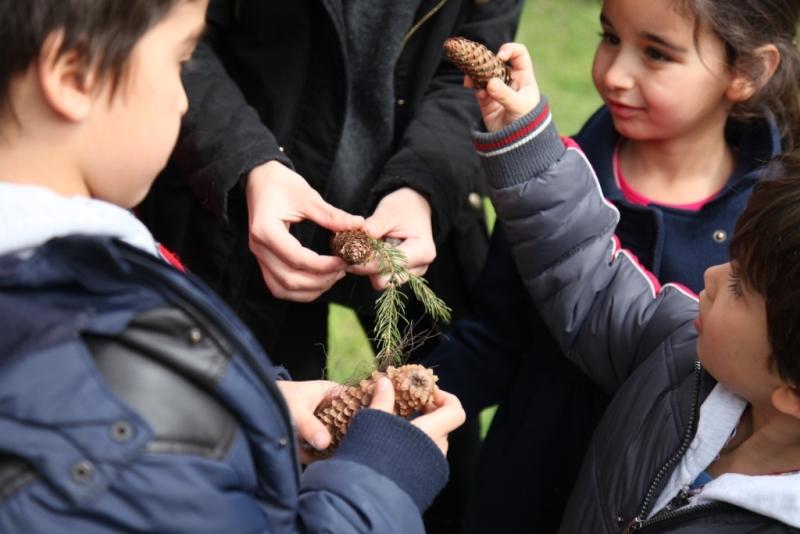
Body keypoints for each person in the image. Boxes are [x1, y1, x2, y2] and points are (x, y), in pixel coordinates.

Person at [0, 1, 465, 532]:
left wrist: (252, 401)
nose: (183, 101)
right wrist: (380, 482)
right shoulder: (94, 363)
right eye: (179, 63)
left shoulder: (84, 285)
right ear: (74, 75)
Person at [135, 2, 522, 530]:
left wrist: (424, 186)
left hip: (415, 236)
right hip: (239, 220)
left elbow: (471, 67)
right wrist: (249, 163)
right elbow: (171, 39)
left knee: (442, 438)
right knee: (266, 437)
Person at [425, 0, 800, 530]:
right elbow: (509, 324)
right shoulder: (565, 178)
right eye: (609, 37)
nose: (615, 73)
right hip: (519, 497)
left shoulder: (776, 230)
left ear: (748, 72)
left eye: (656, 53)